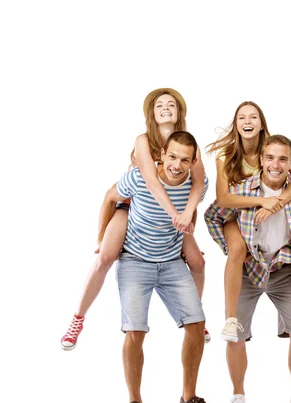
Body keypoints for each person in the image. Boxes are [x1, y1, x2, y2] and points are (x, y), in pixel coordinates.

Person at [60, 88, 210, 350]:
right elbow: (151, 183)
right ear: (151, 113)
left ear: (180, 111)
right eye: (159, 105)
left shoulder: (189, 145)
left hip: (169, 217)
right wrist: (100, 235)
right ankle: (78, 318)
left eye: (171, 104)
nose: (165, 108)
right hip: (132, 206)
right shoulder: (144, 141)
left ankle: (194, 317)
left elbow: (196, 187)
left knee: (197, 261)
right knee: (105, 257)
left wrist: (188, 220)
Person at [99, 130, 222, 403]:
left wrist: (188, 237)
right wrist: (101, 237)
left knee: (196, 325)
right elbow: (109, 197)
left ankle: (188, 397)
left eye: (184, 160)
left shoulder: (198, 185)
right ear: (162, 155)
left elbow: (191, 213)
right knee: (135, 332)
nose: (176, 165)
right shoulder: (140, 178)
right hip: (135, 261)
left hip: (171, 262)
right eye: (172, 157)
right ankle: (133, 402)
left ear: (193, 161)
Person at [204, 135, 291, 403]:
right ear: (260, 160)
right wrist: (232, 248)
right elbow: (212, 217)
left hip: (283, 272)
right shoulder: (243, 191)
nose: (275, 164)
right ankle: (237, 394)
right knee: (235, 335)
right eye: (270, 157)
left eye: (283, 159)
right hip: (248, 272)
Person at [206, 101, 291, 343]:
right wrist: (261, 203)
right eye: (242, 117)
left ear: (262, 124)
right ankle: (231, 319)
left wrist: (279, 203)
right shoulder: (227, 154)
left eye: (253, 117)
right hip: (236, 214)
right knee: (238, 249)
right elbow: (223, 199)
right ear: (236, 124)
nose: (248, 122)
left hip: (273, 211)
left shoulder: (274, 148)